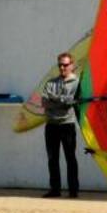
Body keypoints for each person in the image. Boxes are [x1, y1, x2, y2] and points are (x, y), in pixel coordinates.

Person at [40, 52, 82, 198]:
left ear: (72, 65)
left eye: (65, 65)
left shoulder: (77, 83)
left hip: (67, 125)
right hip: (51, 125)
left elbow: (73, 103)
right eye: (60, 65)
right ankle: (55, 189)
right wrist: (63, 101)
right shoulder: (51, 83)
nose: (62, 68)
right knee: (53, 158)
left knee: (70, 157)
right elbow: (44, 102)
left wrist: (56, 100)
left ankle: (73, 190)